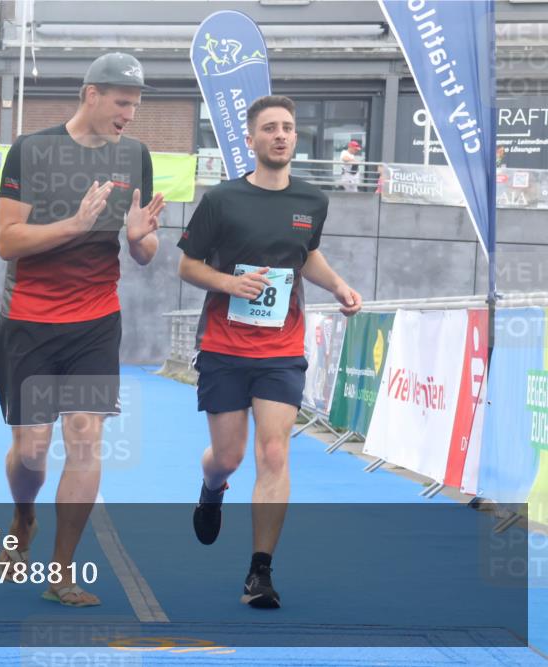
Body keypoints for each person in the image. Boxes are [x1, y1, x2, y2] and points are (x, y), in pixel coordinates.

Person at [0, 52, 165, 607]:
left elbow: (143, 252)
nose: (129, 115)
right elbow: (7, 242)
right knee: (32, 449)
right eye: (121, 102)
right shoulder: (32, 150)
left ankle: (61, 571)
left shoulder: (135, 156)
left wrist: (139, 237)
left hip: (94, 322)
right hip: (29, 322)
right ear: (91, 94)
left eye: (136, 105)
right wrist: (75, 224)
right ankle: (23, 519)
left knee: (86, 439)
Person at [177, 95, 362, 610]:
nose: (281, 135)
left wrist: (340, 287)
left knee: (274, 452)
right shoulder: (221, 201)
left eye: (287, 128)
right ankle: (212, 488)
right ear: (252, 140)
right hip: (224, 346)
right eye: (270, 128)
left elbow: (308, 256)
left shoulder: (311, 201)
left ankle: (260, 572)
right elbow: (188, 267)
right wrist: (228, 285)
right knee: (230, 456)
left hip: (281, 347)